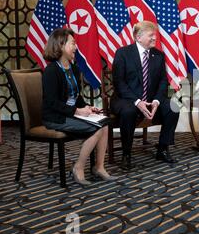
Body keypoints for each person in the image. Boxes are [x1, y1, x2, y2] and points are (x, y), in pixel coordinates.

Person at [42, 28, 116, 186]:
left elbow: (75, 96)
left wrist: (87, 107)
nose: (76, 47)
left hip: (70, 113)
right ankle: (78, 167)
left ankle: (99, 167)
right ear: (61, 46)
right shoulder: (51, 71)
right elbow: (52, 102)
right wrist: (77, 111)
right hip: (56, 117)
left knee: (104, 124)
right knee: (96, 128)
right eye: (73, 43)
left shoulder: (73, 68)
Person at [111, 21, 179, 168]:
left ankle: (162, 148)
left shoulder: (159, 55)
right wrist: (137, 102)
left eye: (155, 35)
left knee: (174, 107)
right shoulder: (123, 53)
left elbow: (162, 82)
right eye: (151, 35)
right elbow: (119, 83)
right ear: (138, 37)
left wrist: (156, 101)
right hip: (126, 98)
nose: (155, 38)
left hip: (150, 99)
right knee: (128, 111)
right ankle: (126, 154)